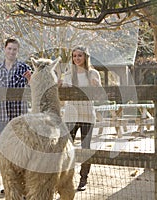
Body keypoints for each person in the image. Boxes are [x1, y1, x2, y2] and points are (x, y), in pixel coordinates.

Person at [0, 38, 32, 194]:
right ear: (4, 49)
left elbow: (34, 87)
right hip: (3, 116)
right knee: (5, 152)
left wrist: (31, 79)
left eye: (15, 49)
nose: (12, 52)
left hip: (20, 117)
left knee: (22, 151)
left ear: (18, 51)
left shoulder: (25, 68)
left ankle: (24, 186)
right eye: (9, 48)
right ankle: (9, 185)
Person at [61, 45, 102, 191]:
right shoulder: (67, 74)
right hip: (70, 116)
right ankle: (67, 179)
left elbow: (98, 95)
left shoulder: (93, 73)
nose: (77, 58)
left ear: (85, 57)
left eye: (80, 55)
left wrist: (96, 87)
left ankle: (83, 178)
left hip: (87, 116)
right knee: (68, 148)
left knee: (85, 148)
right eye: (74, 56)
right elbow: (62, 92)